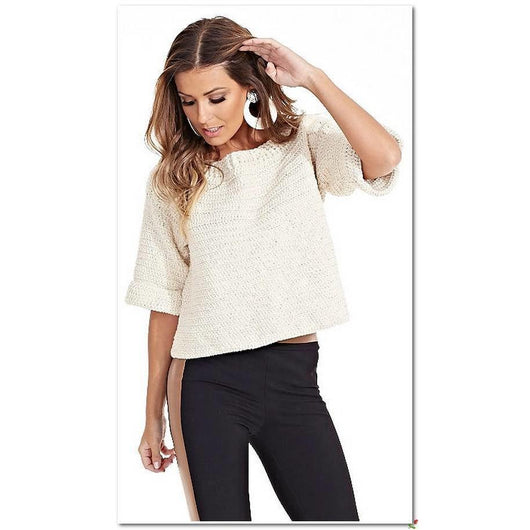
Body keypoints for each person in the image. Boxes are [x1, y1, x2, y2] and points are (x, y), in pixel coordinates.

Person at [124, 16, 402, 522]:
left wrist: (312, 78)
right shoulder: (174, 179)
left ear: (249, 87)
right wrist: (151, 416)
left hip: (294, 380)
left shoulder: (299, 144)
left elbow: (383, 158)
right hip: (204, 385)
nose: (203, 116)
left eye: (217, 97)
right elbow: (164, 299)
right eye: (189, 102)